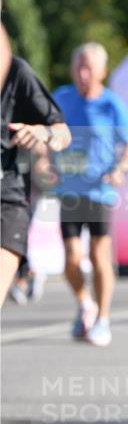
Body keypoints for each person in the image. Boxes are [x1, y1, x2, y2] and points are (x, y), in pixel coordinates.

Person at [52, 43, 128, 346]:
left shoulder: (111, 104)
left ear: (102, 71)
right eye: (78, 66)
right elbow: (46, 135)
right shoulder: (61, 98)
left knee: (98, 254)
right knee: (71, 259)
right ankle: (85, 303)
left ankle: (102, 319)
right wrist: (44, 161)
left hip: (100, 191)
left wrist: (120, 169)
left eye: (89, 67)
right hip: (69, 191)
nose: (83, 73)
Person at [1, 22, 71, 306]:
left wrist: (42, 132)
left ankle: (26, 272)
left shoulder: (17, 73)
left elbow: (62, 133)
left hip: (6, 201)